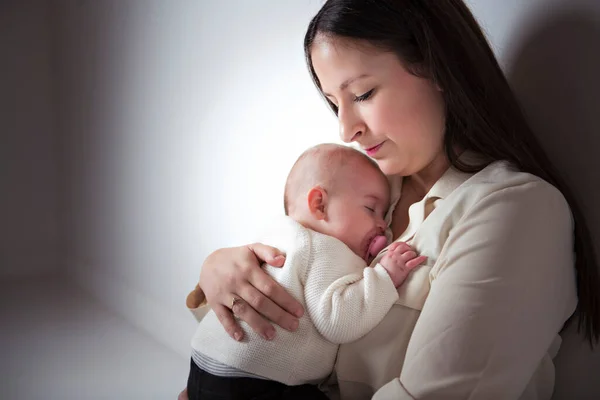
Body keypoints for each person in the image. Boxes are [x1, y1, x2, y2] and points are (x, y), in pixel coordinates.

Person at [181, 0, 600, 399]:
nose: (346, 130)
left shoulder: (516, 212)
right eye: (333, 103)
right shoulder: (366, 186)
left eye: (362, 94)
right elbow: (286, 299)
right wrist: (220, 270)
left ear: (437, 67)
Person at [186, 143, 427, 400]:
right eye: (370, 209)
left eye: (384, 215)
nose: (382, 226)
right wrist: (385, 277)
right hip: (255, 381)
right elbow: (338, 321)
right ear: (320, 205)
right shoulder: (327, 249)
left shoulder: (281, 235)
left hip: (206, 367)